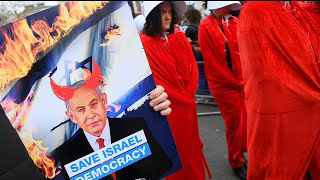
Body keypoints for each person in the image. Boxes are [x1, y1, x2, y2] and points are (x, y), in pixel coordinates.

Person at [49, 61, 173, 180]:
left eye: (94, 104)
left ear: (104, 101)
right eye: (81, 110)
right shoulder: (67, 154)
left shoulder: (136, 127)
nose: (91, 115)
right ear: (72, 116)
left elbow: (161, 170)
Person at [237, 1, 320, 179]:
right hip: (280, 117)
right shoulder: (255, 9)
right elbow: (268, 75)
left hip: (305, 118)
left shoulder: (298, 9)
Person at [140, 1, 212, 179]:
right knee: (177, 156)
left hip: (187, 108)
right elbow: (153, 82)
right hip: (168, 113)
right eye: (162, 12)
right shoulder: (143, 43)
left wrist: (188, 96)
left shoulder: (178, 38)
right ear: (152, 16)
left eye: (170, 12)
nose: (167, 16)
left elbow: (192, 70)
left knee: (192, 150)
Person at [198, 1, 247, 179]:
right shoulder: (206, 27)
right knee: (234, 123)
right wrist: (238, 81)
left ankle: (240, 154)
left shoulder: (233, 22)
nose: (229, 7)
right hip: (225, 85)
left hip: (241, 82)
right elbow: (213, 63)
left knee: (244, 122)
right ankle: (236, 160)